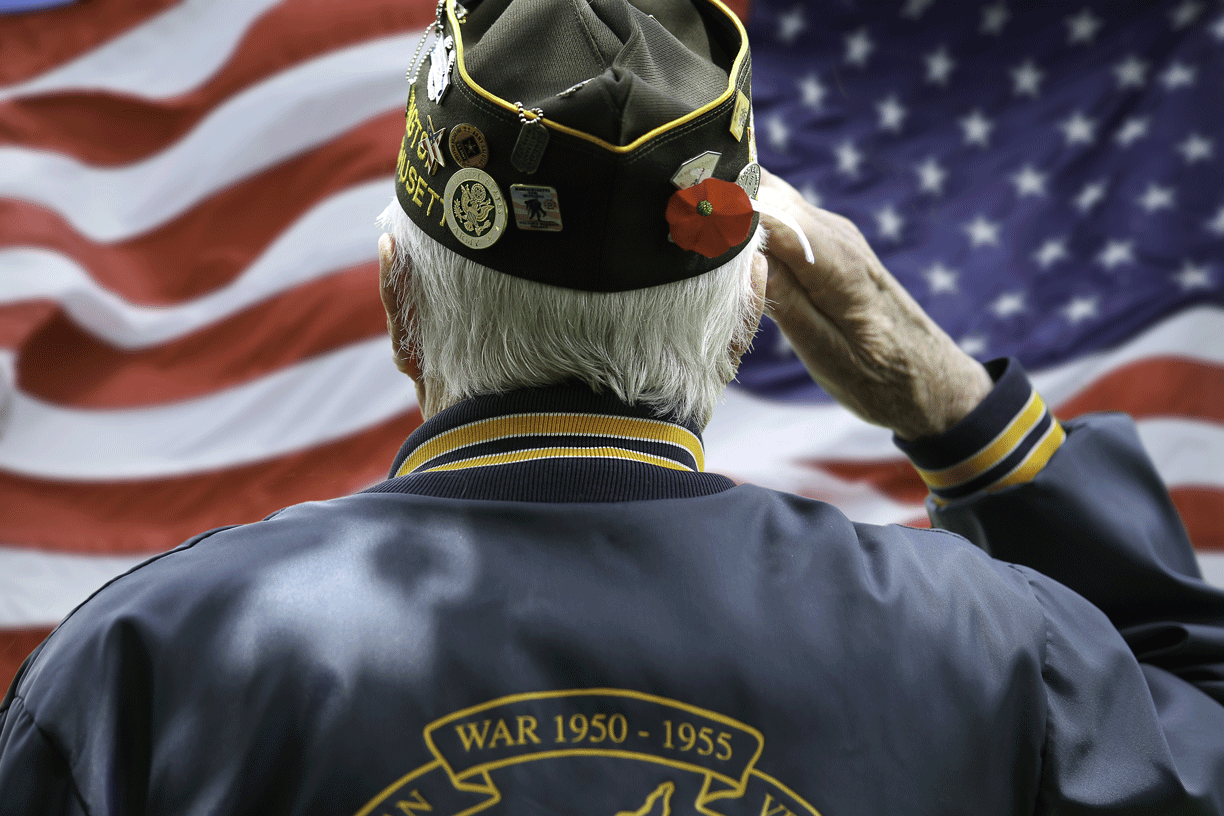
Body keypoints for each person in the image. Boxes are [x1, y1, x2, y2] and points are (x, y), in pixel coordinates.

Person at [2, 0, 1223, 813]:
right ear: (749, 315)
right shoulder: (1005, 655)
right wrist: (960, 413)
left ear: (397, 304)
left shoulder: (141, 673)